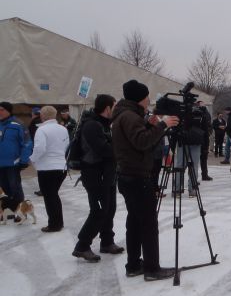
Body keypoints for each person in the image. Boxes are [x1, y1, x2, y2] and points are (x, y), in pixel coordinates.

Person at [111, 79, 179, 281]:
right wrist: (162, 125)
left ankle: (133, 264)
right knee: (148, 224)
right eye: (147, 96)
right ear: (140, 98)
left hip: (129, 175)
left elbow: (137, 139)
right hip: (137, 177)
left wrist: (150, 127)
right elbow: (141, 142)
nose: (149, 100)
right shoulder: (130, 116)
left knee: (135, 221)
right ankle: (152, 268)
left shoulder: (126, 115)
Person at [72, 94, 124, 261]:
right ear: (107, 108)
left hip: (107, 175)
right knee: (99, 211)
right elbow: (104, 150)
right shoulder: (92, 125)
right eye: (114, 106)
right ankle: (82, 246)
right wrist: (122, 145)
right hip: (94, 174)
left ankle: (107, 242)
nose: (115, 110)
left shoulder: (105, 124)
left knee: (110, 209)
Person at [29, 106, 69, 232]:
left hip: (47, 168)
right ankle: (58, 222)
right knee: (53, 195)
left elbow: (40, 148)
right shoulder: (63, 129)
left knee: (49, 196)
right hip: (61, 166)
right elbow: (67, 146)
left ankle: (54, 224)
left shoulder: (41, 130)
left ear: (42, 115)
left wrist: (32, 158)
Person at [0, 101, 32, 204]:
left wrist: (24, 160)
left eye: (1, 110)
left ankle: (18, 211)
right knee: (3, 189)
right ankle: (6, 211)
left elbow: (27, 143)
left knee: (15, 187)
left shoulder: (18, 124)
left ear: (8, 111)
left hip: (13, 163)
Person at [196, 101, 213, 181]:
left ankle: (204, 174)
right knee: (194, 158)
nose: (203, 105)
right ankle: (194, 178)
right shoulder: (195, 112)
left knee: (204, 157)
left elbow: (209, 124)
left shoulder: (206, 112)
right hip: (196, 138)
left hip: (205, 137)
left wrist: (209, 131)